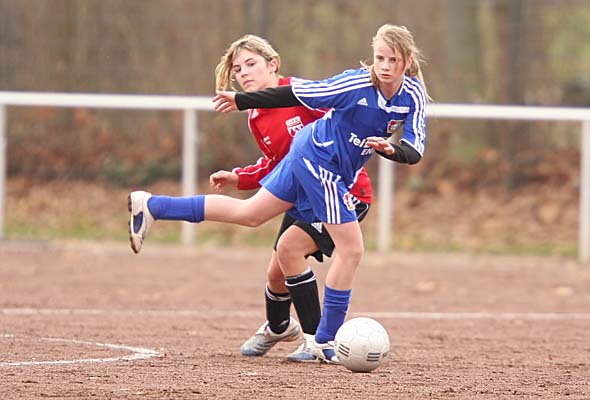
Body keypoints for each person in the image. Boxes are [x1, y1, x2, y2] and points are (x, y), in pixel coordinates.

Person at [129, 24, 428, 363]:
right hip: (318, 164)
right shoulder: (342, 88)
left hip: (341, 181)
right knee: (349, 250)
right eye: (379, 58)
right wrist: (242, 114)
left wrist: (391, 150)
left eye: (393, 60)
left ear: (407, 61)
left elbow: (413, 149)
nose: (384, 66)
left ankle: (153, 206)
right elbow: (283, 130)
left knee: (258, 223)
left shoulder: (411, 94)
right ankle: (321, 341)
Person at [210, 34, 372, 362]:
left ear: (274, 65)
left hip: (342, 193)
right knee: (276, 273)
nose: (244, 73)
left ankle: (316, 341)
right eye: (238, 70)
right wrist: (240, 177)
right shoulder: (256, 116)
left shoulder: (301, 94)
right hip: (301, 196)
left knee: (289, 250)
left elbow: (344, 116)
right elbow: (276, 164)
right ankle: (279, 326)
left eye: (251, 64)